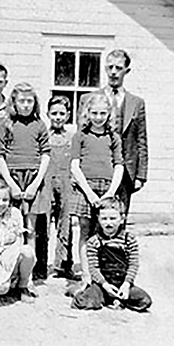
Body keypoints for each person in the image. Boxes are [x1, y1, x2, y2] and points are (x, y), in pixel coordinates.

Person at [78, 49, 148, 217]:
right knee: (92, 220)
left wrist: (141, 176)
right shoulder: (88, 99)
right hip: (95, 169)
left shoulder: (136, 103)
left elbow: (141, 140)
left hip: (125, 172)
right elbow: (81, 137)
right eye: (110, 67)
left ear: (126, 71)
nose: (114, 72)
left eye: (118, 68)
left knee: (118, 219)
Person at [0, 82, 51, 281]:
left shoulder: (39, 125)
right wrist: (10, 183)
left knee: (31, 229)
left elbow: (46, 154)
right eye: (21, 101)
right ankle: (8, 273)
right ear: (14, 103)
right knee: (10, 226)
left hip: (33, 179)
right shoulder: (5, 124)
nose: (25, 105)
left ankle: (27, 276)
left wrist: (36, 183)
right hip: (12, 179)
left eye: (29, 101)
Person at [70, 93, 124, 286]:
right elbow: (75, 166)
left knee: (105, 232)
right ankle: (86, 275)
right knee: (85, 231)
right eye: (94, 113)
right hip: (86, 189)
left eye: (103, 113)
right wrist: (90, 193)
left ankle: (103, 275)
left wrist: (110, 192)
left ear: (109, 114)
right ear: (88, 113)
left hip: (107, 188)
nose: (98, 117)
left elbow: (119, 165)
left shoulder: (114, 137)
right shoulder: (80, 136)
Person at [71, 197, 152, 311]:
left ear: (122, 219)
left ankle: (116, 299)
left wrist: (127, 284)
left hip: (122, 283)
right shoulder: (94, 241)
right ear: (98, 219)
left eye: (113, 218)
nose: (108, 223)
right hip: (102, 285)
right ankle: (80, 292)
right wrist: (104, 285)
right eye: (104, 219)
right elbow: (93, 268)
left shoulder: (129, 239)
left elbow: (133, 264)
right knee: (85, 302)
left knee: (144, 301)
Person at [45, 96, 77, 279]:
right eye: (54, 113)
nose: (58, 117)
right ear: (48, 114)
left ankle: (63, 265)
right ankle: (40, 265)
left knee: (65, 225)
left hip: (65, 182)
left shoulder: (72, 136)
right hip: (48, 182)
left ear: (67, 115)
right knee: (44, 224)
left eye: (61, 114)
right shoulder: (44, 135)